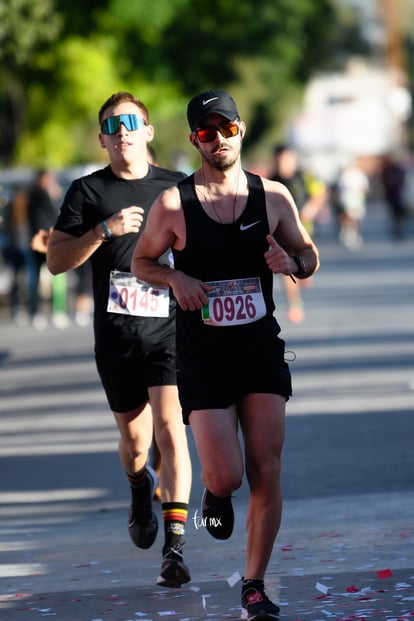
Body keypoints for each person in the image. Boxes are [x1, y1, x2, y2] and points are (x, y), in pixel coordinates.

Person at [131, 90, 320, 620]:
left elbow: (309, 256)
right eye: (206, 132)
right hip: (204, 357)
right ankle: (213, 498)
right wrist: (174, 275)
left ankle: (254, 585)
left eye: (226, 128)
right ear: (195, 140)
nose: (218, 140)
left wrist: (292, 260)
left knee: (268, 469)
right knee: (226, 477)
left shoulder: (273, 196)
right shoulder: (174, 204)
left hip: (260, 348)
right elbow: (143, 262)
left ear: (240, 131)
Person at [46, 91, 192, 588]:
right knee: (135, 440)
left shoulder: (177, 187)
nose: (123, 129)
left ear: (149, 132)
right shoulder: (87, 193)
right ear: (103, 139)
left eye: (132, 121)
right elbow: (56, 261)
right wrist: (101, 233)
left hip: (171, 329)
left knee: (172, 428)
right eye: (113, 124)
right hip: (117, 335)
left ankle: (174, 549)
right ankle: (137, 487)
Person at [270, 144, 326, 322]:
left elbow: (320, 193)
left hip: (303, 229)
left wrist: (310, 209)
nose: (283, 163)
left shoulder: (304, 176)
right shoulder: (272, 180)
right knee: (287, 267)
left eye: (286, 159)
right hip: (281, 232)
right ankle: (294, 304)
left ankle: (304, 272)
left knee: (302, 262)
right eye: (279, 159)